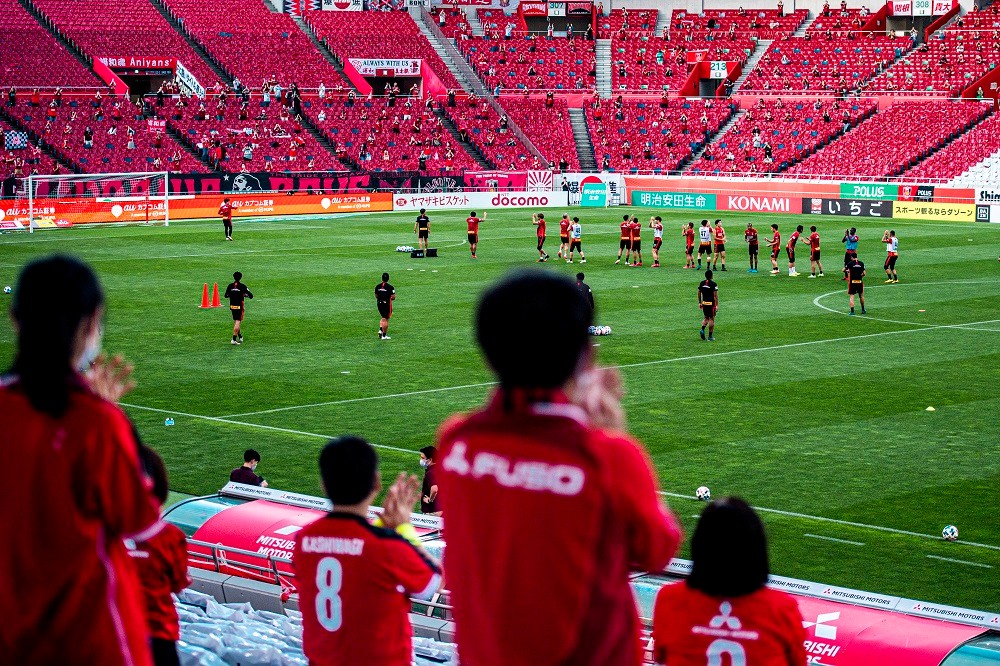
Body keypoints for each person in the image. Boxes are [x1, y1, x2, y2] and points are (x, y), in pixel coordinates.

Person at [436, 271, 682, 666]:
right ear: (587, 355)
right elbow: (657, 550)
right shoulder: (608, 456)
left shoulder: (456, 442)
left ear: (486, 353)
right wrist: (607, 430)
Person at [1, 255, 160, 666]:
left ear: (16, 320)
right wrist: (111, 415)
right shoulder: (95, 423)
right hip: (90, 637)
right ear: (93, 324)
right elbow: (141, 522)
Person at [294, 436, 442, 666]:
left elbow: (349, 551)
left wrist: (384, 530)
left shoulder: (304, 540)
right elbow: (432, 582)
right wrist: (403, 527)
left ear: (324, 483)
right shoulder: (386, 546)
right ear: (376, 482)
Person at [652, 498, 807, 666]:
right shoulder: (781, 608)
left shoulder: (670, 599)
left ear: (699, 545)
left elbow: (661, 656)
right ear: (756, 549)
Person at [129, 447, 191, 666]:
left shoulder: (102, 534)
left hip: (114, 629)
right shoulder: (169, 536)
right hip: (159, 631)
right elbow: (178, 583)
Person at [224, 271, 253, 344]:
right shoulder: (242, 286)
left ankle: (240, 336)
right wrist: (243, 295)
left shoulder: (230, 285)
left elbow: (226, 295)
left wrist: (233, 294)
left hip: (232, 305)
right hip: (239, 306)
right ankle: (233, 339)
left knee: (236, 321)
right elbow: (251, 296)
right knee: (238, 321)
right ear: (241, 277)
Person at [419, 446, 441, 515]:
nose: (421, 460)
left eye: (423, 458)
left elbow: (434, 489)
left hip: (431, 512)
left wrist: (429, 500)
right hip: (440, 509)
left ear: (430, 460)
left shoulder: (431, 473)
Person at [698, 269, 719, 341]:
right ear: (711, 276)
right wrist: (716, 305)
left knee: (706, 317)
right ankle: (710, 336)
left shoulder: (702, 283)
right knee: (711, 318)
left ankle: (702, 329)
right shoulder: (714, 284)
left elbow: (699, 292)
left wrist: (700, 302)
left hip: (704, 303)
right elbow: (715, 296)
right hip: (711, 304)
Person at [376, 272, 396, 340]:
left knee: (383, 317)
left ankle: (380, 330)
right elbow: (393, 297)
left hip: (379, 304)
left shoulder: (377, 286)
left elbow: (376, 296)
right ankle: (384, 336)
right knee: (386, 319)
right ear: (388, 278)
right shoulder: (390, 287)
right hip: (386, 304)